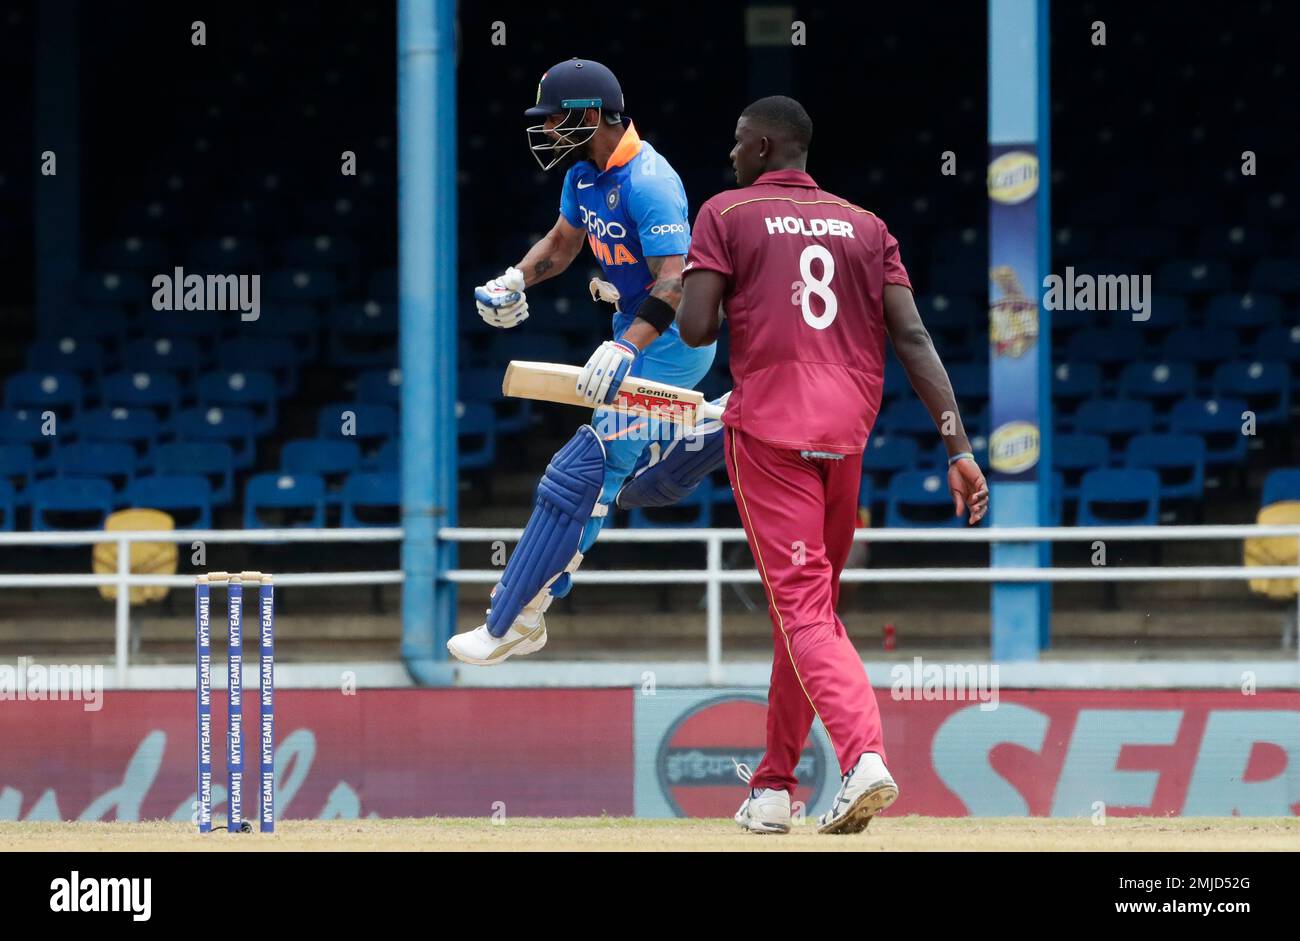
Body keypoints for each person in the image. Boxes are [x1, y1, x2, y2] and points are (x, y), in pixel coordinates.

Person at [675, 96, 988, 834]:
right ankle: (776, 785)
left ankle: (863, 757)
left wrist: (685, 289)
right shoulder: (867, 225)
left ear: (761, 147)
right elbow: (912, 339)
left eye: (736, 141)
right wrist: (959, 446)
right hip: (844, 440)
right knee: (806, 611)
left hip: (770, 435)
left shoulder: (725, 212)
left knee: (804, 610)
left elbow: (695, 327)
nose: (729, 153)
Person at [448, 59, 716, 665]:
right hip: (631, 331)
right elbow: (565, 244)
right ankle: (698, 436)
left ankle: (521, 615)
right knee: (600, 467)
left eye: (556, 119)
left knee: (591, 464)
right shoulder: (583, 176)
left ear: (592, 116)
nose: (546, 132)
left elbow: (675, 282)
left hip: (674, 345)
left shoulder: (650, 181)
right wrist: (515, 277)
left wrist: (627, 346)